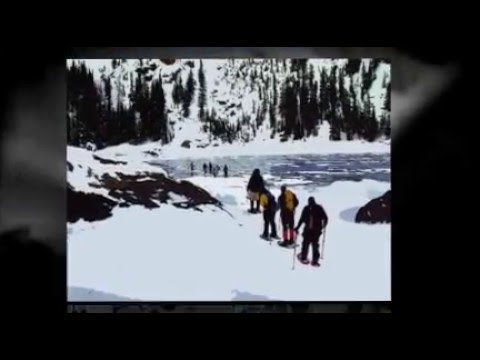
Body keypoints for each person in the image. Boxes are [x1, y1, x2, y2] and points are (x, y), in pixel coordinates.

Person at [294, 196, 328, 267]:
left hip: (308, 230)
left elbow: (301, 219)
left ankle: (304, 257)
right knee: (315, 245)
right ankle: (315, 261)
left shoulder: (306, 208)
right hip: (317, 230)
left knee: (305, 243)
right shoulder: (319, 208)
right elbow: (325, 218)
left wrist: (297, 227)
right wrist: (323, 226)